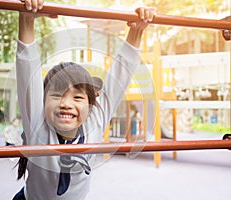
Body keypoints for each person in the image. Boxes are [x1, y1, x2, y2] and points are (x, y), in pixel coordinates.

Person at [14, 0, 155, 199]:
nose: (65, 103)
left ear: (91, 104)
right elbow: (26, 69)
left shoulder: (95, 121)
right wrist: (27, 20)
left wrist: (137, 31)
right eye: (56, 95)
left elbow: (120, 75)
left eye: (78, 97)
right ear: (42, 102)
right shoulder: (37, 122)